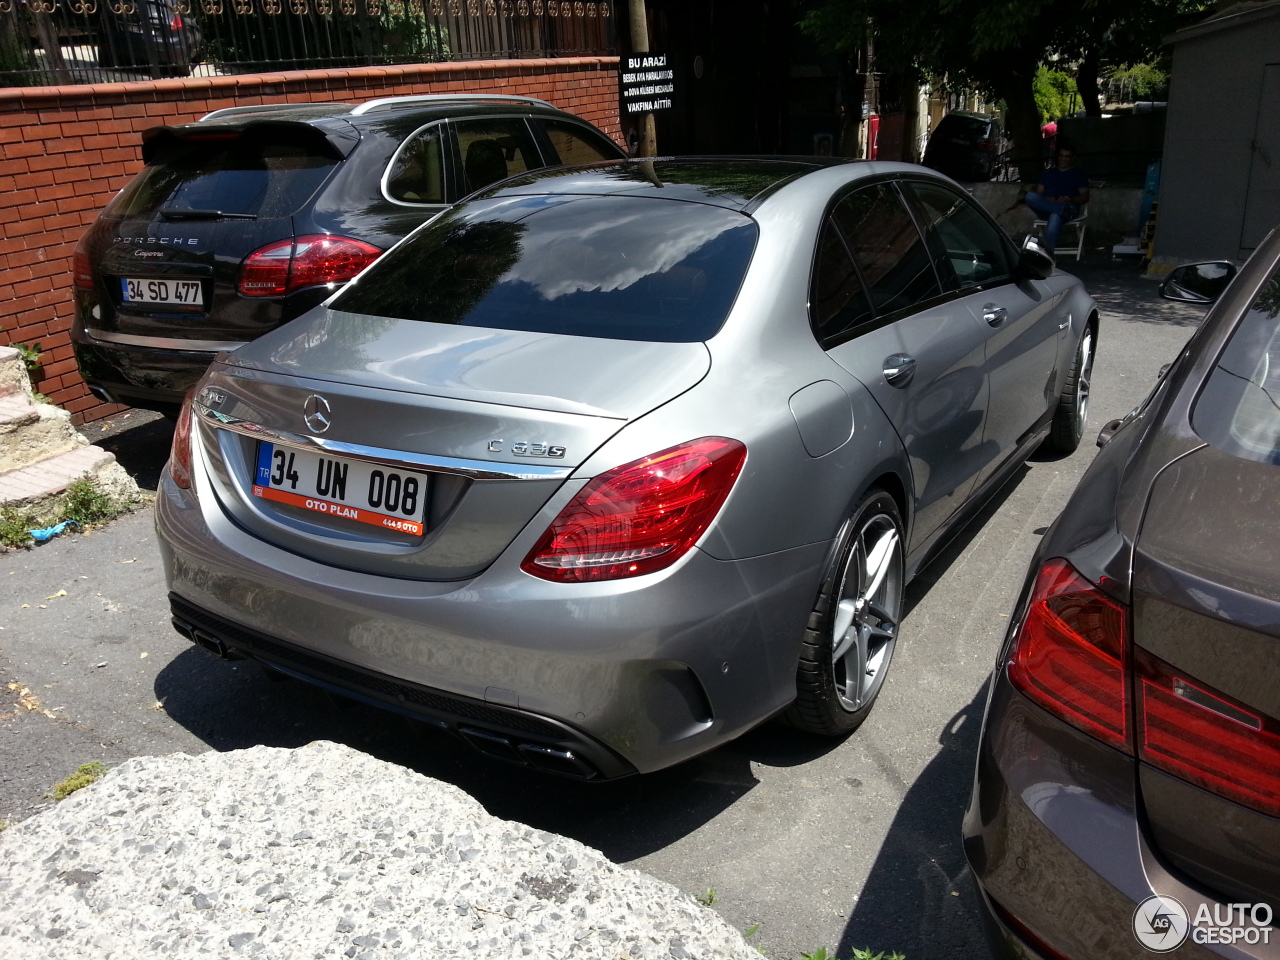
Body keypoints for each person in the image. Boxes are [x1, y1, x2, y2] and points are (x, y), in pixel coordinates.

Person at [1026, 146, 1090, 252]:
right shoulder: (1047, 173)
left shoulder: (1079, 174)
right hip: (1048, 207)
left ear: (1073, 158)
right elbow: (1039, 194)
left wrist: (1070, 199)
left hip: (1069, 206)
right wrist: (1049, 199)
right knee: (1029, 196)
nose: (1063, 159)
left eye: (1067, 156)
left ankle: (1046, 255)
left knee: (1055, 216)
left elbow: (1085, 197)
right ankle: (1063, 209)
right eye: (1061, 156)